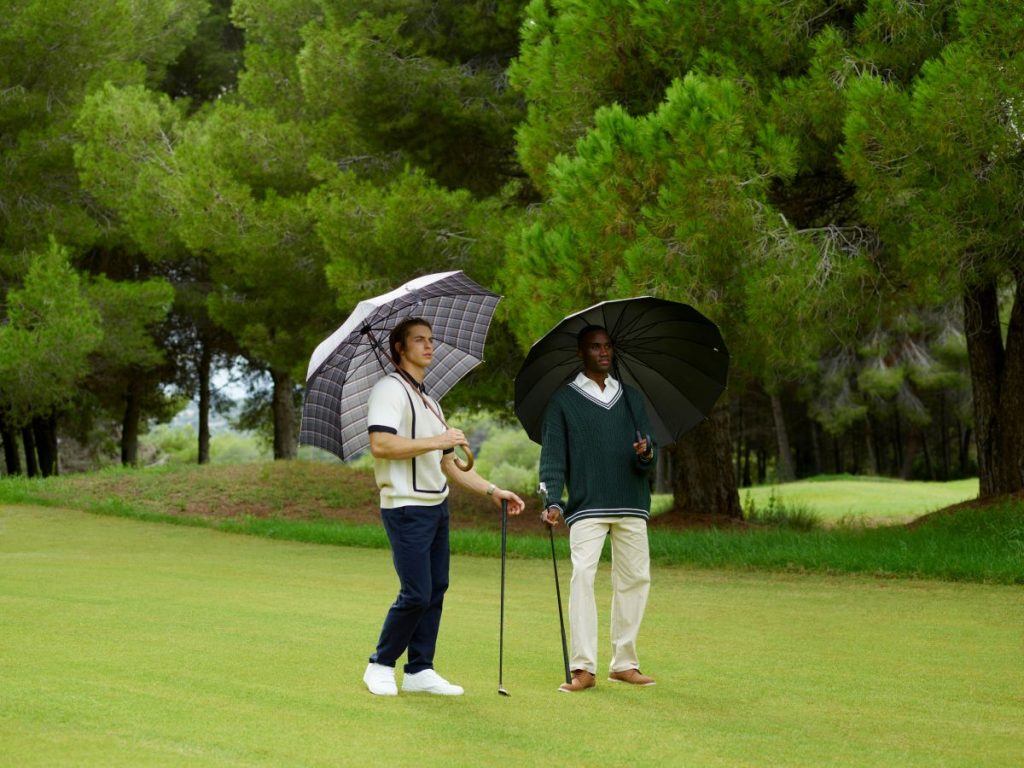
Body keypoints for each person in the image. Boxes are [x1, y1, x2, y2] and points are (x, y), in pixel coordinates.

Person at [362, 317, 525, 697]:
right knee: (416, 593)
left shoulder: (430, 401)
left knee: (436, 588)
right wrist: (438, 440)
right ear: (400, 348)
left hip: (436, 506)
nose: (428, 346)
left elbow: (449, 464)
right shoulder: (388, 390)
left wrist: (492, 490)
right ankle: (380, 664)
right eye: (419, 340)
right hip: (405, 506)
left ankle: (419, 669)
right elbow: (381, 445)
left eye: (430, 339)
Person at [539, 324, 657, 693]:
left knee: (635, 580)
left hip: (631, 503)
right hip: (587, 506)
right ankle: (583, 668)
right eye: (595, 347)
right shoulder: (563, 401)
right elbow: (553, 458)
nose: (603, 352)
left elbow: (648, 458)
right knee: (582, 578)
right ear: (581, 353)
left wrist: (646, 452)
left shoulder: (631, 398)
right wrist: (553, 501)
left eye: (607, 346)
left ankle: (624, 664)